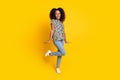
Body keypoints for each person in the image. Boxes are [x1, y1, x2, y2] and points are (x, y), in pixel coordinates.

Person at [45, 7, 70, 73]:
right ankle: (50, 53)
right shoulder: (53, 21)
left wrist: (65, 40)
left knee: (60, 54)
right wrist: (50, 39)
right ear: (54, 15)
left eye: (59, 13)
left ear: (61, 14)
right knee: (64, 52)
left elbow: (63, 32)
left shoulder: (62, 23)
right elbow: (52, 30)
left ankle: (57, 67)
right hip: (56, 39)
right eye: (56, 13)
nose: (58, 15)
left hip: (61, 40)